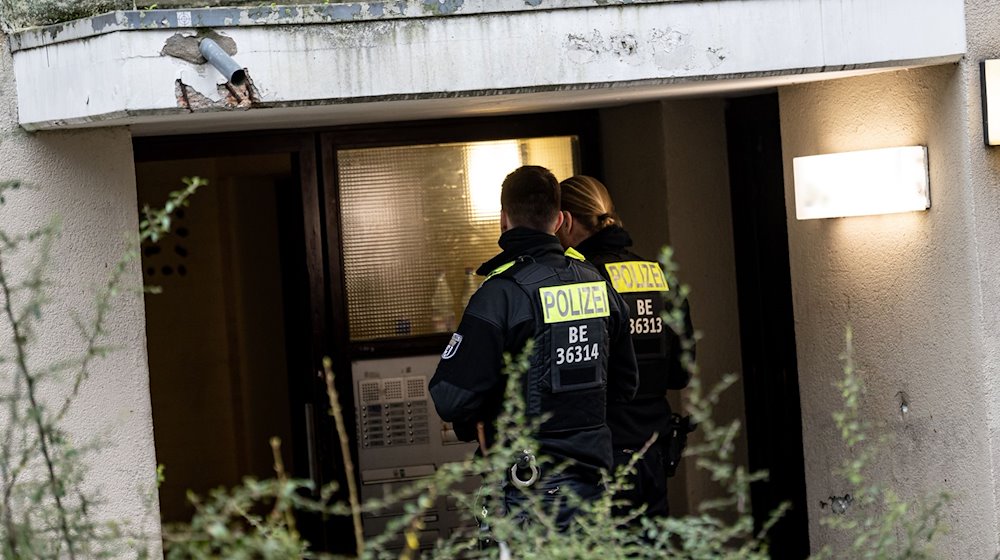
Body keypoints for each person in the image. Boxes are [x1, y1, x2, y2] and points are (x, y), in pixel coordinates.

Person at [429, 165, 638, 531]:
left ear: (503, 219)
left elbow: (450, 398)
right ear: (559, 220)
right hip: (592, 488)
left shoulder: (501, 294)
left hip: (527, 489)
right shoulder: (599, 285)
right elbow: (624, 386)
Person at [556, 175, 694, 518]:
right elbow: (680, 373)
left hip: (604, 453)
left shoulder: (580, 282)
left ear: (567, 221)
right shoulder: (660, 275)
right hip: (654, 452)